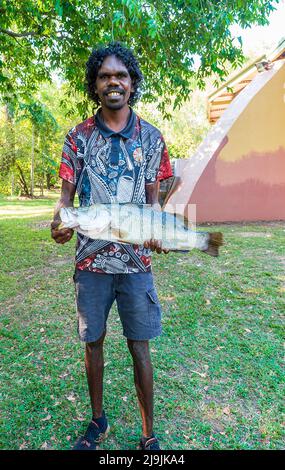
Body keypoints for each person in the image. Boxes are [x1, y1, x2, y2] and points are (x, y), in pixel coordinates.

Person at [51, 42, 173, 451]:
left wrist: (158, 230)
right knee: (94, 345)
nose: (113, 82)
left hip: (136, 263)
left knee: (140, 348)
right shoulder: (78, 138)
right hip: (91, 265)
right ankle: (98, 421)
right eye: (104, 76)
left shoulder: (152, 137)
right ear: (95, 85)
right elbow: (65, 202)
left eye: (120, 75)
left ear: (132, 82)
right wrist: (60, 223)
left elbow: (155, 200)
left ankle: (148, 435)